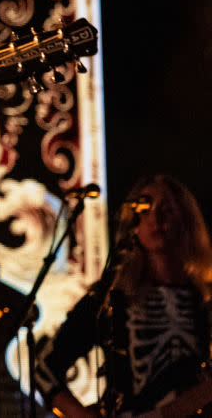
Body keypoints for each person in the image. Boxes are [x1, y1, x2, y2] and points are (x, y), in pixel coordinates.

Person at [36, 175, 212, 417]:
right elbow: (44, 370)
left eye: (167, 210)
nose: (156, 219)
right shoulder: (112, 298)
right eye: (146, 209)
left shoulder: (205, 299)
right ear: (133, 222)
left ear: (186, 220)